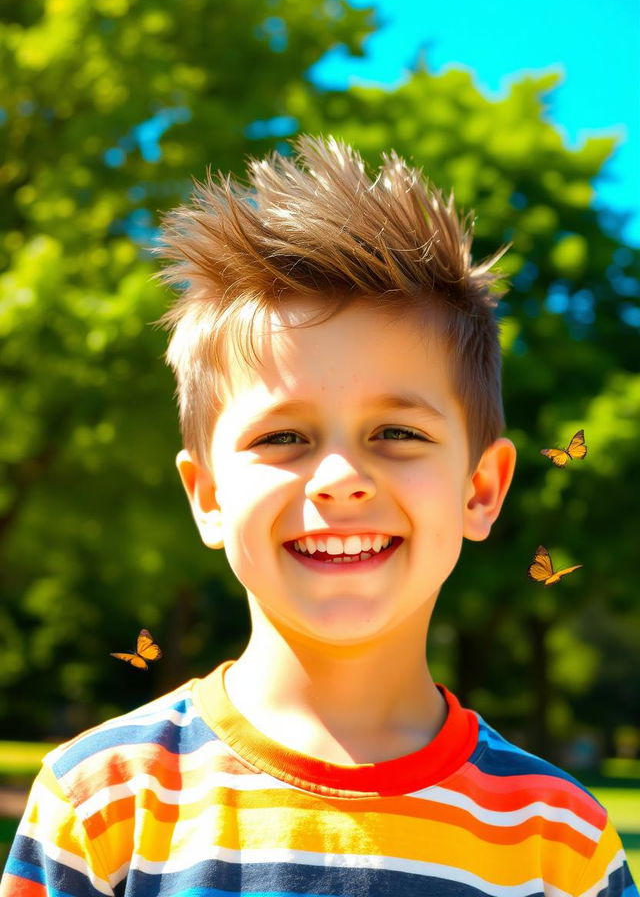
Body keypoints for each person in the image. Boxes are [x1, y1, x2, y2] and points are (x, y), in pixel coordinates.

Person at [1, 136, 636, 897]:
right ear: (207, 495)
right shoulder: (100, 806)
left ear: (481, 489)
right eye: (283, 438)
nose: (340, 479)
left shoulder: (560, 843)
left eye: (397, 434)